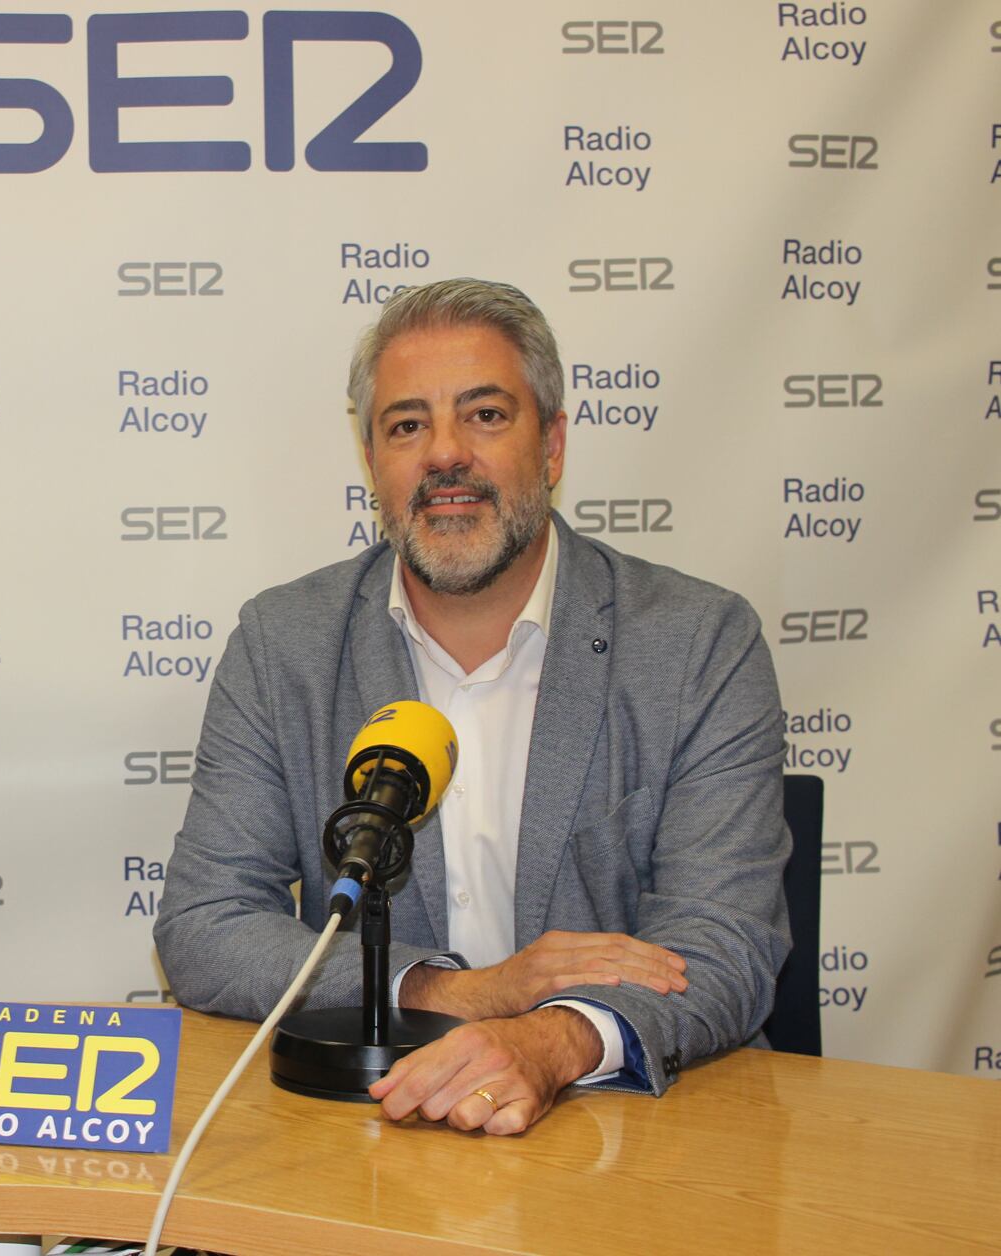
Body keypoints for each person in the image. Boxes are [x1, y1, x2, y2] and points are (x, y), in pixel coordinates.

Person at [153, 279, 790, 1136]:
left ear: (553, 445)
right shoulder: (284, 645)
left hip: (627, 1136)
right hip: (374, 1133)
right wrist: (454, 992)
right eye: (407, 425)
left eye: (485, 416)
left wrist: (552, 1041)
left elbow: (726, 942)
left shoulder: (697, 643)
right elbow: (204, 926)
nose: (444, 455)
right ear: (372, 460)